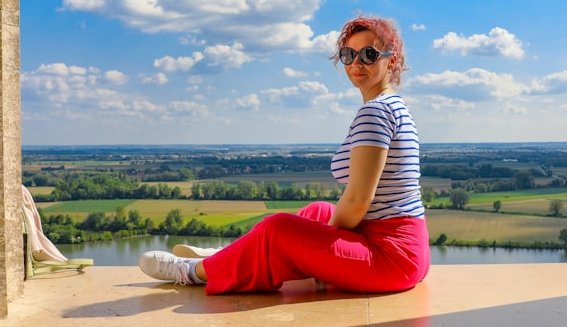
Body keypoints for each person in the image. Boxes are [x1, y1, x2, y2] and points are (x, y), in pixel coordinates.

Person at [138, 15, 430, 294]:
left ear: (391, 60)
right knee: (317, 211)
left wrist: (320, 241)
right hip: (406, 252)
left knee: (278, 229)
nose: (356, 63)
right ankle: (233, 255)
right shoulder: (392, 105)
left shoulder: (375, 112)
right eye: (347, 54)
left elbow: (356, 202)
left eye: (368, 54)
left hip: (390, 259)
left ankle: (193, 272)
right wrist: (318, 237)